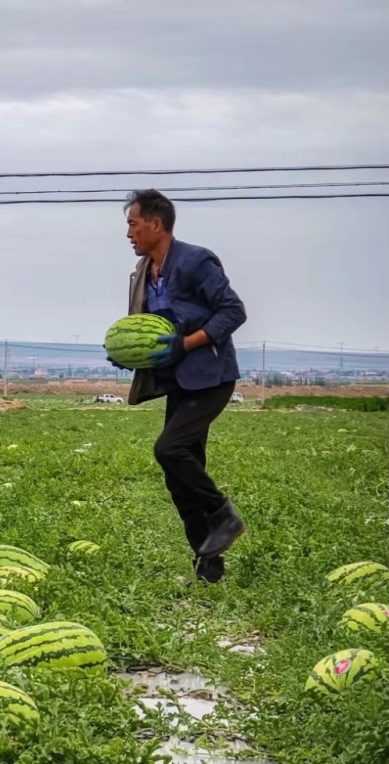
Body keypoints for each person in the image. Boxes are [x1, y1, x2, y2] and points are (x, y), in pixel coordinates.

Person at [111, 189, 247, 583]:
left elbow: (233, 311)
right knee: (180, 475)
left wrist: (187, 343)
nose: (129, 234)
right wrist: (131, 353)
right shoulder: (144, 270)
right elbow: (148, 328)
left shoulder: (195, 261)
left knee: (169, 450)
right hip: (179, 382)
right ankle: (209, 563)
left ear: (157, 224)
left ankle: (224, 514)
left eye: (133, 224)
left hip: (211, 378)